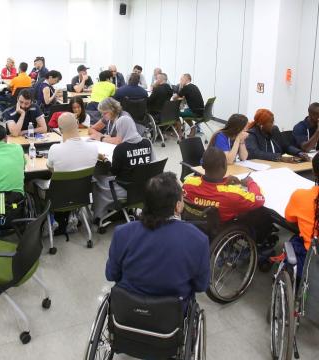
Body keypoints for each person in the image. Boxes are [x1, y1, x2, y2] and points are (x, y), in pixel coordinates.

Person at [106, 172, 210, 303]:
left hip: (127, 311)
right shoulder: (198, 240)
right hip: (171, 314)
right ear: (177, 206)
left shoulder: (122, 233)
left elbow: (111, 275)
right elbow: (201, 285)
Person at [93, 115, 154, 221]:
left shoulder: (120, 149)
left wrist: (106, 161)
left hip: (125, 188)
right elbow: (152, 163)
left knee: (96, 179)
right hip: (144, 186)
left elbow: (114, 172)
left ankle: (98, 215)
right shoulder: (147, 142)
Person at [35, 112, 99, 193]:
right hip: (83, 196)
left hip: (58, 197)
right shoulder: (94, 148)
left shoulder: (55, 149)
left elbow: (50, 168)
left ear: (60, 130)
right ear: (77, 123)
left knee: (31, 182)